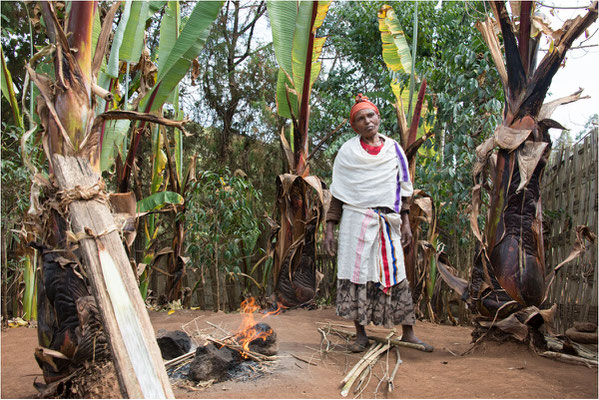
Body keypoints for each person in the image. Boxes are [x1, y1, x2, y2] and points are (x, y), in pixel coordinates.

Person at [324, 94, 432, 353]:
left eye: (370, 115)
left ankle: (408, 333)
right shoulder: (347, 153)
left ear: (379, 117)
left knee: (396, 274)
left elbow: (403, 189)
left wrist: (405, 221)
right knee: (355, 276)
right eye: (360, 119)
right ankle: (360, 335)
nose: (367, 121)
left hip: (387, 221)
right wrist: (329, 227)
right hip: (354, 220)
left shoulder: (394, 149)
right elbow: (339, 193)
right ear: (354, 126)